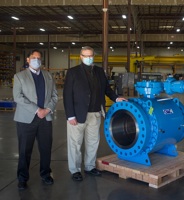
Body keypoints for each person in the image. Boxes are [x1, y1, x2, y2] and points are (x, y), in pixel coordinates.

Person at [63, 46, 126, 181]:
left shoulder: (99, 71)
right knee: (75, 143)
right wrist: (70, 115)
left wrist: (116, 98)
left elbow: (107, 89)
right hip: (77, 114)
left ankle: (90, 167)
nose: (89, 58)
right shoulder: (73, 72)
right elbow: (67, 94)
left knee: (93, 142)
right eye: (86, 56)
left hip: (95, 113)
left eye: (91, 55)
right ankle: (75, 170)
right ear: (81, 57)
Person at [13, 49, 58, 190]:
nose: (36, 60)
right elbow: (18, 97)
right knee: (25, 150)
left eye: (39, 58)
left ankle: (45, 174)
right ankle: (22, 178)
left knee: (46, 148)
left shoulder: (48, 76)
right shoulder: (20, 76)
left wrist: (47, 110)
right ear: (28, 59)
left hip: (45, 118)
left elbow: (55, 96)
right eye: (33, 57)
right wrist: (37, 110)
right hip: (26, 119)